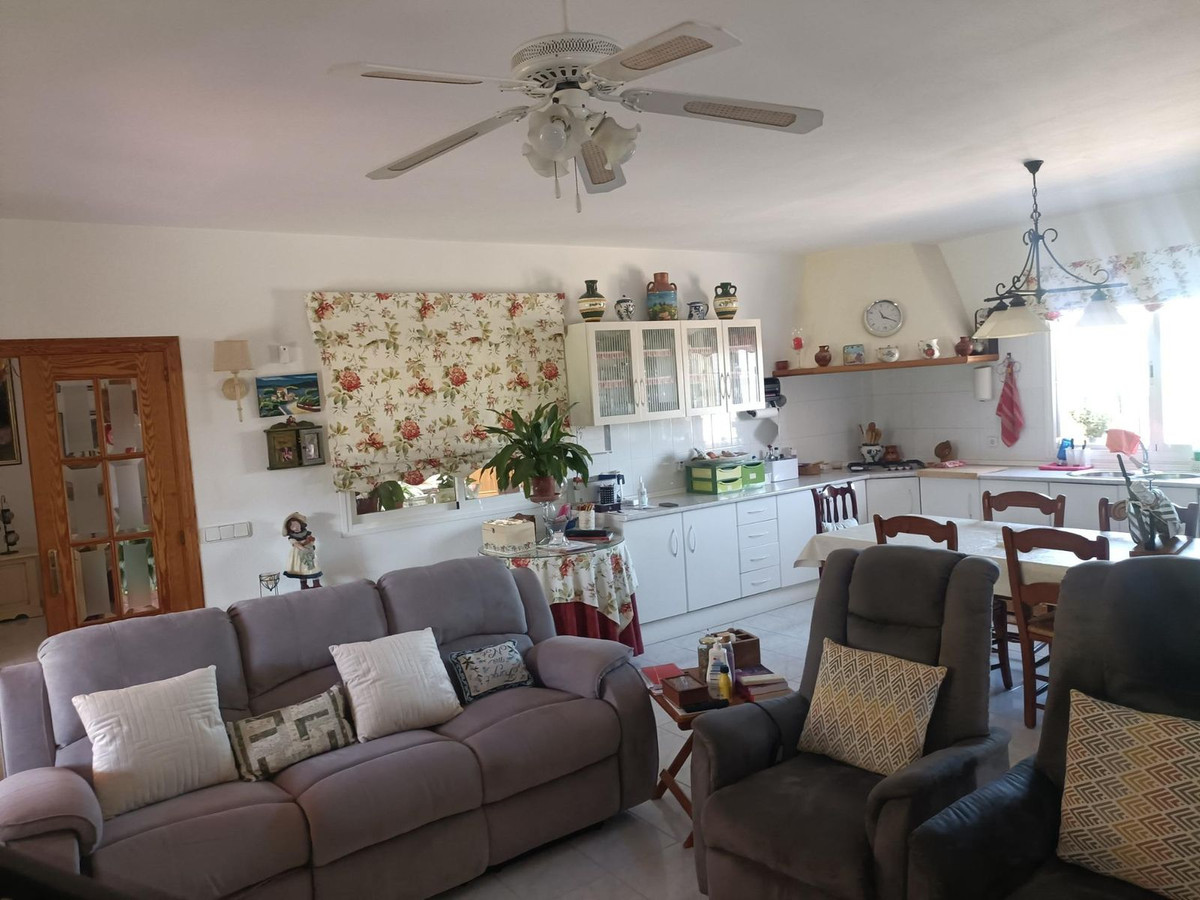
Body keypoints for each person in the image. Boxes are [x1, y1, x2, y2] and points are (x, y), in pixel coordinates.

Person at [282, 512, 322, 589]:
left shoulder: (307, 533)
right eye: (293, 526)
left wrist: (310, 542)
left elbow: (311, 540)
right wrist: (303, 547)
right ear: (290, 528)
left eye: (297, 524)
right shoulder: (292, 537)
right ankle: (304, 584)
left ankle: (316, 583)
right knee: (302, 569)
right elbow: (296, 544)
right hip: (299, 554)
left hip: (309, 552)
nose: (296, 527)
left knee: (314, 567)